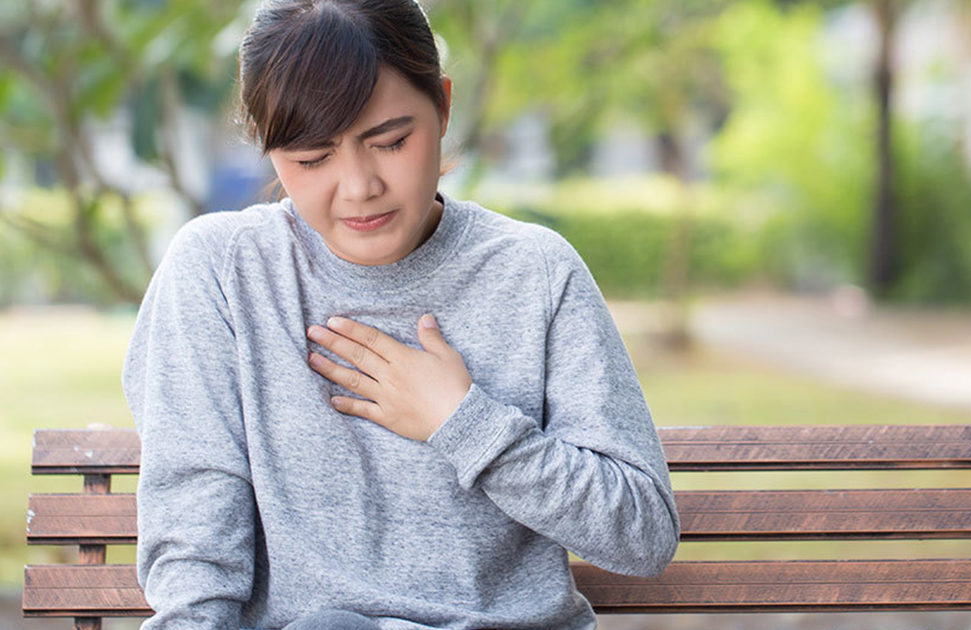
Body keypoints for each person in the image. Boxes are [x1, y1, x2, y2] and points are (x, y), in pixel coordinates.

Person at [121, 1, 680, 628]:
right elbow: (196, 525)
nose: (359, 186)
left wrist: (463, 423)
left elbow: (643, 534)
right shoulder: (222, 272)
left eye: (390, 141)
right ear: (270, 150)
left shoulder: (533, 272)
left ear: (442, 106)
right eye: (311, 159)